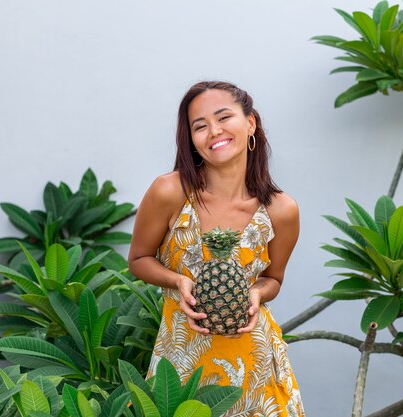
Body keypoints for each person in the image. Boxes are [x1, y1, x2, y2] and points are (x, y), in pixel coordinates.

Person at [128, 81, 306, 417]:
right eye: (200, 126)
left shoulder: (282, 210)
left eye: (224, 118)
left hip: (257, 369)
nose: (214, 131)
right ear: (192, 139)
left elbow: (273, 279)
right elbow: (138, 260)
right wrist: (176, 281)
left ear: (250, 123)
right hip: (182, 365)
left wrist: (256, 294)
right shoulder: (170, 191)